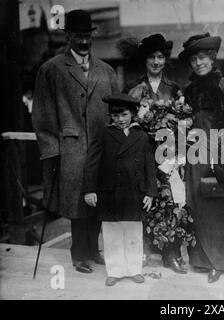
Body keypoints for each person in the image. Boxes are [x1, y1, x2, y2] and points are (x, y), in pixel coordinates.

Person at [32, 10, 119, 273]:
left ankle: (94, 250)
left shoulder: (107, 71)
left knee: (98, 202)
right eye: (77, 36)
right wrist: (53, 152)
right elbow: (42, 115)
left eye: (86, 36)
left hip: (101, 149)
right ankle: (79, 254)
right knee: (77, 204)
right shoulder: (51, 70)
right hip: (71, 150)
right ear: (68, 36)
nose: (83, 41)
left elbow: (117, 111)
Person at [118, 33, 187, 274]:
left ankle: (171, 253)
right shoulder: (135, 90)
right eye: (151, 58)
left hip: (167, 156)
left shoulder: (175, 89)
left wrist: (178, 156)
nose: (157, 62)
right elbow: (125, 123)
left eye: (160, 57)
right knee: (144, 200)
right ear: (144, 60)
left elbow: (182, 123)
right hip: (142, 154)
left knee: (170, 200)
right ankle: (143, 250)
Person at [82, 94, 157, 286]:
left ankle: (133, 269)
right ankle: (114, 271)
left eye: (124, 114)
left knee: (133, 232)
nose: (120, 119)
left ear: (132, 113)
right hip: (109, 192)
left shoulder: (141, 136)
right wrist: (89, 189)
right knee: (112, 232)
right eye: (115, 116)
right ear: (110, 116)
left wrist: (150, 192)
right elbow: (92, 163)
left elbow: (149, 165)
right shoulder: (104, 134)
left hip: (135, 192)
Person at [178, 33, 224, 283]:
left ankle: (219, 261)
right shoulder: (188, 90)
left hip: (218, 154)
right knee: (195, 202)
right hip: (193, 155)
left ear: (212, 58)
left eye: (202, 58)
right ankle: (199, 259)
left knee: (217, 206)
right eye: (193, 60)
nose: (198, 63)